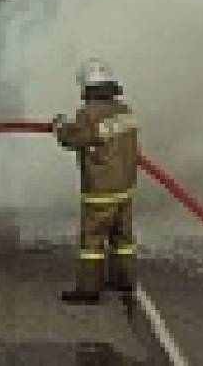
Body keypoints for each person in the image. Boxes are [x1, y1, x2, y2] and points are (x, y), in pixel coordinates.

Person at [54, 58, 140, 304]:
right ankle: (124, 279)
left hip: (100, 190)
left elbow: (75, 139)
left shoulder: (87, 113)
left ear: (87, 88)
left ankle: (88, 289)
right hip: (124, 186)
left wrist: (59, 127)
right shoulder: (125, 111)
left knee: (91, 241)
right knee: (122, 238)